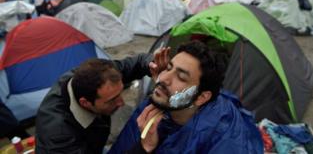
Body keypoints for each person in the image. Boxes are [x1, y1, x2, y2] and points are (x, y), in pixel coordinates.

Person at [109, 40, 263, 153]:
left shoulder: (224, 140)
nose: (162, 79)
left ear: (201, 97)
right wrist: (143, 149)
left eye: (181, 77)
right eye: (168, 68)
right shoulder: (157, 106)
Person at [35, 51, 169, 154]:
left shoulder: (97, 75)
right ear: (85, 103)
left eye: (120, 93)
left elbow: (137, 62)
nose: (121, 102)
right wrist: (144, 147)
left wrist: (153, 64)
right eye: (112, 100)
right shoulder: (59, 136)